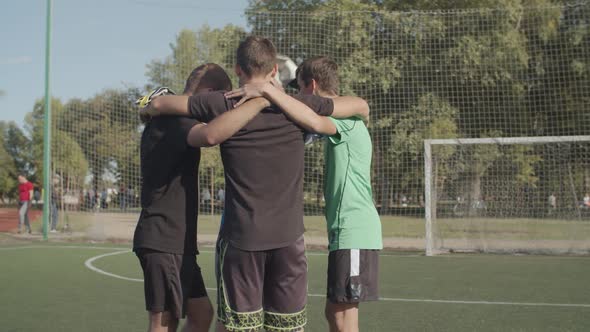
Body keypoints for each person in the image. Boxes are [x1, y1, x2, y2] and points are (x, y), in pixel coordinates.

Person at [143, 36, 369, 332]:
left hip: (242, 240)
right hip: (289, 241)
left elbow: (158, 103)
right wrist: (269, 95)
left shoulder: (220, 102)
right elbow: (360, 106)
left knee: (239, 327)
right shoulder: (299, 105)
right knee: (287, 328)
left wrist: (148, 108)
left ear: (237, 69)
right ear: (274, 70)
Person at [226, 56, 382, 332]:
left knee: (344, 315)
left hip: (355, 229)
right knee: (335, 311)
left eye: (298, 88)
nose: (296, 94)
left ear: (310, 85)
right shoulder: (346, 115)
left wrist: (268, 91)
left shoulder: (343, 120)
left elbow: (312, 120)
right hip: (345, 231)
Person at [133, 63, 272, 332]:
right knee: (164, 322)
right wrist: (257, 103)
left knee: (200, 314)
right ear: (208, 93)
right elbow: (210, 135)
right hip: (163, 238)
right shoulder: (175, 121)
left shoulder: (170, 117)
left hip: (176, 242)